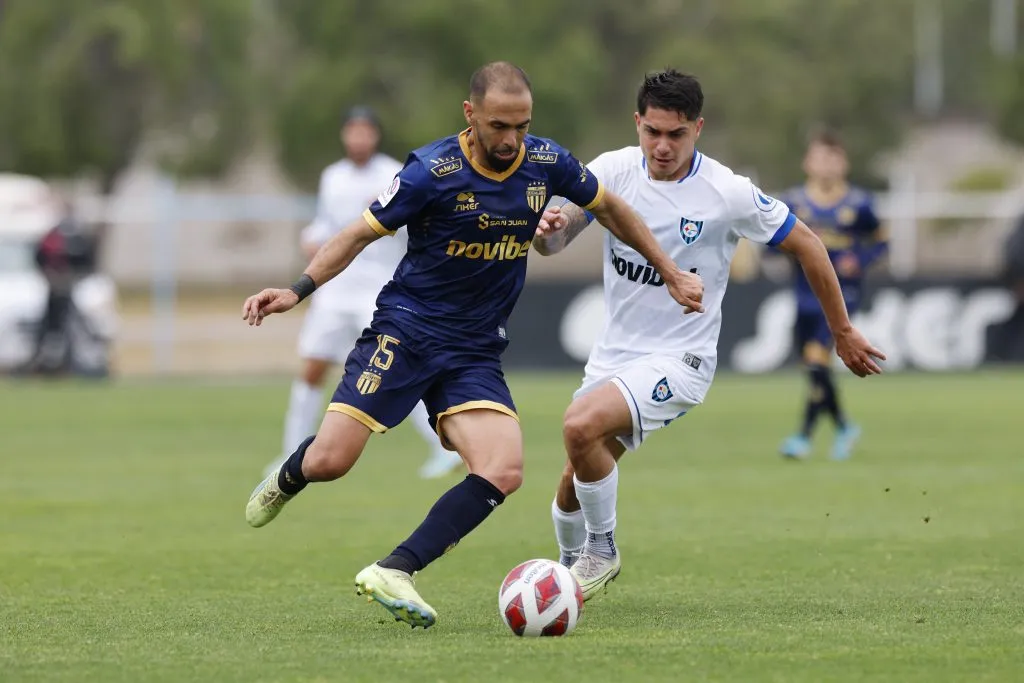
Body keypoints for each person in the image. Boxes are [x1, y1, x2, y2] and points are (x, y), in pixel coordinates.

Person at [240, 61, 704, 629]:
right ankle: (290, 475)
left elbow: (609, 207)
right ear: (470, 114)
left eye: (522, 126)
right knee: (329, 462)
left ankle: (396, 569)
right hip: (406, 331)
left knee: (504, 469)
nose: (511, 140)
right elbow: (357, 234)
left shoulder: (546, 161)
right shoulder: (429, 172)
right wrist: (297, 290)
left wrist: (670, 272)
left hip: (475, 350)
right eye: (498, 126)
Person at [532, 70, 885, 601]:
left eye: (676, 134)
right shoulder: (611, 171)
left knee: (578, 424)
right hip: (614, 355)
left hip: (682, 360)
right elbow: (554, 246)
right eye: (652, 132)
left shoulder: (727, 192)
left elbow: (810, 245)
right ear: (637, 123)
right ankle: (565, 575)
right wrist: (549, 234)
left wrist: (842, 331)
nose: (662, 146)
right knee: (572, 477)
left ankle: (601, 551)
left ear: (698, 128)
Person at [270, 106, 460, 480]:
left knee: (396, 368)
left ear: (375, 135)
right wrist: (312, 238)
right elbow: (327, 225)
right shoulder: (332, 176)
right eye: (353, 130)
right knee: (312, 366)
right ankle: (290, 453)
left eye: (365, 131)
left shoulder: (396, 172)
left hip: (376, 288)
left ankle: (443, 448)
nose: (359, 138)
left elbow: (412, 226)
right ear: (344, 135)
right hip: (335, 289)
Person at [776, 130, 887, 460]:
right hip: (804, 295)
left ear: (844, 164)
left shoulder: (860, 205)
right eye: (819, 158)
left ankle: (804, 436)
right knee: (815, 368)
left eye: (832, 158)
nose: (825, 165)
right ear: (807, 163)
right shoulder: (793, 203)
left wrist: (860, 261)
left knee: (816, 360)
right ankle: (842, 426)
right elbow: (773, 242)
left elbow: (882, 242)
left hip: (842, 295)